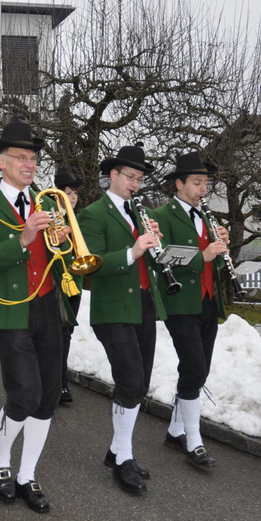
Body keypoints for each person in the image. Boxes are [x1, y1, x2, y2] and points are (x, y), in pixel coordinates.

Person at [0, 121, 76, 514]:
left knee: (48, 396)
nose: (30, 164)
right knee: (24, 394)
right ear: (0, 161)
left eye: (33, 158)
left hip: (47, 304)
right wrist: (23, 239)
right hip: (9, 307)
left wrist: (61, 243)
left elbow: (61, 259)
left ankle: (27, 474)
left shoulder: (48, 202)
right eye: (21, 157)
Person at [78, 143, 168, 495]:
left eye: (139, 179)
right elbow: (93, 264)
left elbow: (150, 260)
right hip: (113, 308)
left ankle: (117, 451)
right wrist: (133, 250)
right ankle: (122, 459)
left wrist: (155, 244)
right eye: (130, 177)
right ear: (112, 175)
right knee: (129, 381)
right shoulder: (93, 214)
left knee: (140, 382)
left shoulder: (139, 213)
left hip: (143, 304)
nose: (135, 184)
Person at [153, 151, 229, 472]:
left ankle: (174, 432)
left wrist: (223, 248)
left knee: (199, 369)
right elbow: (163, 259)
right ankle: (194, 442)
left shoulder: (208, 218)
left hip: (208, 301)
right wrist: (204, 255)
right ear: (179, 184)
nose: (203, 189)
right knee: (195, 367)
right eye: (197, 183)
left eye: (205, 183)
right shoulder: (162, 215)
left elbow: (215, 264)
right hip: (180, 303)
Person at [53, 169, 83, 405]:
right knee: (58, 335)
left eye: (75, 193)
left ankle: (59, 381)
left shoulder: (78, 219)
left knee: (67, 334)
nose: (73, 198)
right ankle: (59, 383)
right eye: (68, 193)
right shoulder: (52, 218)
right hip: (57, 284)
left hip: (76, 283)